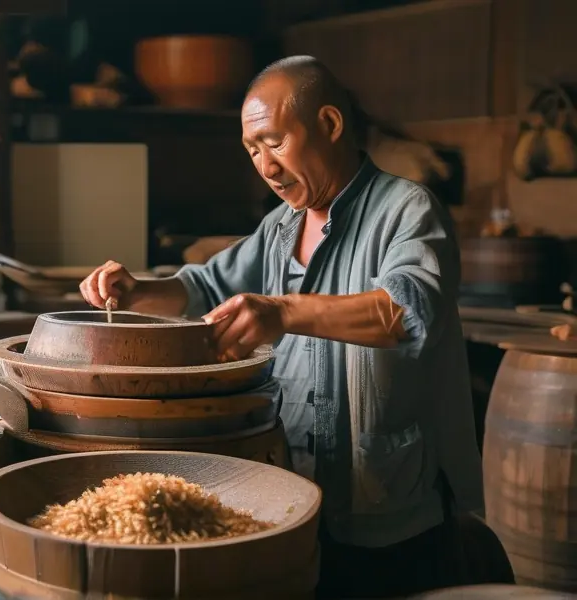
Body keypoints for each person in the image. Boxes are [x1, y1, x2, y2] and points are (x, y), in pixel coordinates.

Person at [79, 56, 483, 598]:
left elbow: (407, 313)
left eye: (274, 142)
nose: (266, 167)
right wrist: (138, 292)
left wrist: (284, 311)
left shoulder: (408, 209)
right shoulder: (280, 227)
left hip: (387, 510)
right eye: (252, 150)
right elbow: (204, 284)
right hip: (292, 498)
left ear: (330, 124)